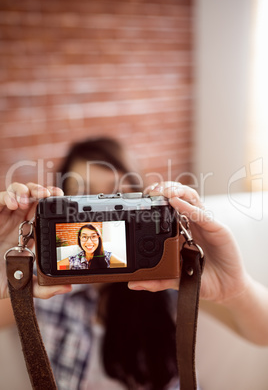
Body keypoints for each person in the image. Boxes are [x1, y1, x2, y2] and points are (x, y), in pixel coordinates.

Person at [1, 138, 268, 388]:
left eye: (116, 195)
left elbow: (263, 333)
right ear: (58, 211)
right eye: (84, 197)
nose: (100, 212)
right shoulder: (39, 283)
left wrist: (234, 288)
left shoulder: (169, 273)